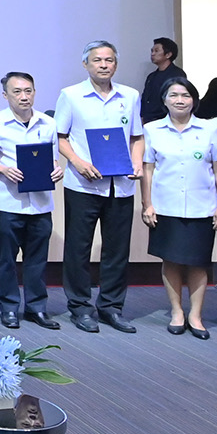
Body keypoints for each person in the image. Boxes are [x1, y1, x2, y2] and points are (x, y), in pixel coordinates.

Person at [55, 40, 145, 334]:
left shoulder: (130, 96)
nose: (104, 65)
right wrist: (78, 162)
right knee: (78, 249)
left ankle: (111, 307)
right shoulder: (71, 95)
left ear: (115, 64)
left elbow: (137, 137)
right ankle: (80, 307)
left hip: (121, 184)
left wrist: (137, 162)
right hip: (83, 184)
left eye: (109, 60)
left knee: (117, 250)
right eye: (97, 60)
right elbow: (60, 137)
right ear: (85, 64)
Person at [140, 76, 217, 339]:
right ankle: (177, 311)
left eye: (185, 95)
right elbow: (148, 169)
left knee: (198, 263)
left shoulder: (209, 128)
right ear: (164, 100)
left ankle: (195, 315)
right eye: (174, 95)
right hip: (166, 206)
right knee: (171, 261)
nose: (180, 100)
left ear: (194, 100)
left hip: (202, 207)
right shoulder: (152, 129)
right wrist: (147, 204)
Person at [0, 72, 64, 330]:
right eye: (17, 91)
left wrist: (57, 169)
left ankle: (36, 308)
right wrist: (3, 168)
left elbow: (52, 157)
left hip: (41, 202)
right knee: (7, 258)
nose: (24, 96)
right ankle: (9, 308)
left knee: (38, 258)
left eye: (28, 91)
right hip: (9, 201)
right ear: (5, 95)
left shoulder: (48, 122)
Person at [140, 37, 185, 123]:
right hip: (148, 121)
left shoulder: (177, 74)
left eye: (156, 51)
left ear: (168, 55)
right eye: (152, 51)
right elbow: (145, 99)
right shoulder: (151, 76)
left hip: (167, 121)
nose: (152, 54)